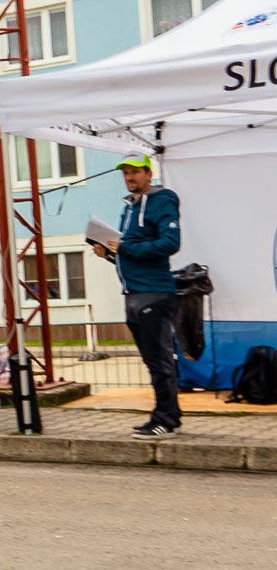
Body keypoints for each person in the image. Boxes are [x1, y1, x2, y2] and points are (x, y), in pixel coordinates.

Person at [92, 151, 182, 439]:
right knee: (152, 360)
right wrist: (108, 254)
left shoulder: (163, 200)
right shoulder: (130, 206)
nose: (129, 177)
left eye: (135, 172)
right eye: (125, 173)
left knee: (160, 360)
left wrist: (125, 250)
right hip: (133, 293)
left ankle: (165, 420)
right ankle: (166, 415)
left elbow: (170, 242)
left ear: (148, 173)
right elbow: (129, 251)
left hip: (153, 293)